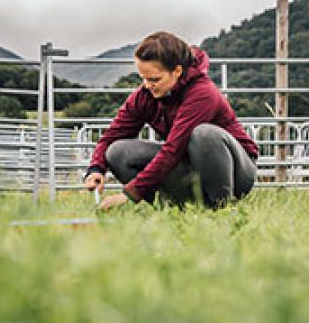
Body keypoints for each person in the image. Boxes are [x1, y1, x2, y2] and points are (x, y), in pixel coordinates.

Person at [83, 31, 259, 211]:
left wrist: (130, 194)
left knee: (204, 134)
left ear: (177, 71)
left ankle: (220, 208)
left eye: (154, 79)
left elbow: (173, 149)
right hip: (188, 166)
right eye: (143, 78)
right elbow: (112, 135)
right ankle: (173, 209)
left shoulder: (202, 94)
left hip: (237, 172)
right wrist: (96, 168)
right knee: (117, 152)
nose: (147, 85)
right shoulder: (145, 95)